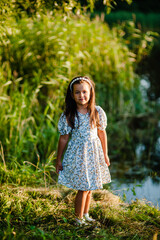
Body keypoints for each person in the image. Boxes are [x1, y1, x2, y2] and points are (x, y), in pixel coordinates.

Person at [56, 76, 111, 226]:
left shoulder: (97, 111)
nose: (82, 96)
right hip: (79, 155)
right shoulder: (69, 115)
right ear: (72, 95)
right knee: (83, 187)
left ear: (91, 92)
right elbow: (63, 138)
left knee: (90, 186)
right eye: (77, 93)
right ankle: (77, 218)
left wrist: (105, 154)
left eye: (85, 92)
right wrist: (58, 159)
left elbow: (101, 133)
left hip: (93, 152)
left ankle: (85, 214)